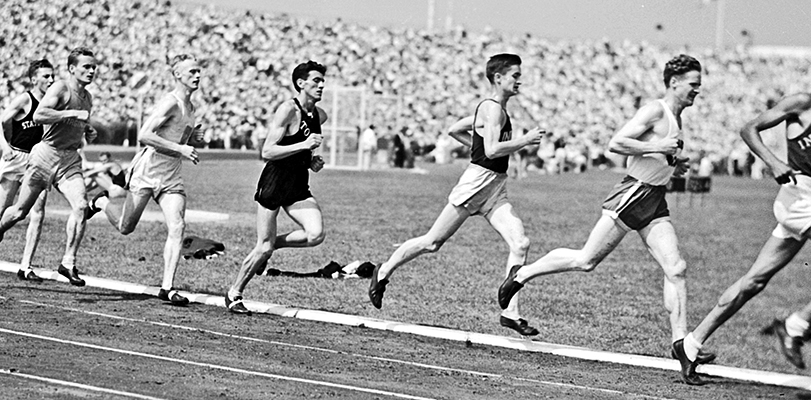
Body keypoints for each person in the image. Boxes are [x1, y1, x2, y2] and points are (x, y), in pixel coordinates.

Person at [674, 53, 811, 385]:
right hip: (796, 196)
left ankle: (690, 343)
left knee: (754, 282)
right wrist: (772, 162)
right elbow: (749, 128)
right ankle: (796, 325)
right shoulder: (806, 102)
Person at [496, 56, 709, 350]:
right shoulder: (655, 111)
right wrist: (658, 147)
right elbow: (617, 143)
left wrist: (675, 163)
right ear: (674, 83)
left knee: (676, 268)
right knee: (586, 261)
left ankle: (681, 344)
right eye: (693, 84)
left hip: (655, 200)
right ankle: (521, 274)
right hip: (633, 194)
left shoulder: (677, 118)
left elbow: (656, 156)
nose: (698, 90)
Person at [366, 54, 544, 336]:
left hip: (495, 187)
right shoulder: (491, 108)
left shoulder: (495, 109)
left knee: (520, 242)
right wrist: (524, 140)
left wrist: (476, 145)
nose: (519, 80)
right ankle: (384, 271)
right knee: (432, 242)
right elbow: (492, 150)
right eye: (515, 75)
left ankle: (510, 313)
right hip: (475, 184)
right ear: (498, 78)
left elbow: (455, 130)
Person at [0, 47, 100, 287]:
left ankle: (68, 262)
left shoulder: (87, 97)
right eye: (86, 66)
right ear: (72, 69)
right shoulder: (60, 88)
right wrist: (73, 113)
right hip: (44, 156)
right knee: (19, 212)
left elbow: (75, 123)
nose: (92, 70)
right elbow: (40, 115)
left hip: (69, 159)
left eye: (94, 66)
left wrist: (87, 129)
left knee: (80, 205)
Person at [90, 54, 203, 305]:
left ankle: (168, 287)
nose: (197, 76)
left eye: (198, 71)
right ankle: (100, 203)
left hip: (171, 176)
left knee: (178, 226)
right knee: (125, 227)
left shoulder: (192, 108)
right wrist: (181, 149)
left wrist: (192, 140)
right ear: (178, 75)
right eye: (192, 72)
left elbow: (178, 138)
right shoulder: (170, 103)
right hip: (147, 172)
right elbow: (145, 135)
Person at [224, 61, 330, 314]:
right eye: (316, 81)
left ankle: (275, 245)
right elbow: (268, 151)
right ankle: (234, 293)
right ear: (301, 83)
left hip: (298, 184)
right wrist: (304, 146)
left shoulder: (320, 115)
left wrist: (310, 161)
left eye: (323, 81)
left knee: (315, 234)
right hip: (275, 182)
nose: (321, 85)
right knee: (263, 245)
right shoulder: (287, 110)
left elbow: (299, 149)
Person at [0, 58, 53, 279]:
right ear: (34, 79)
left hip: (38, 160)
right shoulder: (25, 99)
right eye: (46, 76)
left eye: (52, 76)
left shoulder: (54, 101)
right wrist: (4, 147)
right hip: (16, 157)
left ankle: (26, 266)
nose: (51, 80)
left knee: (37, 212)